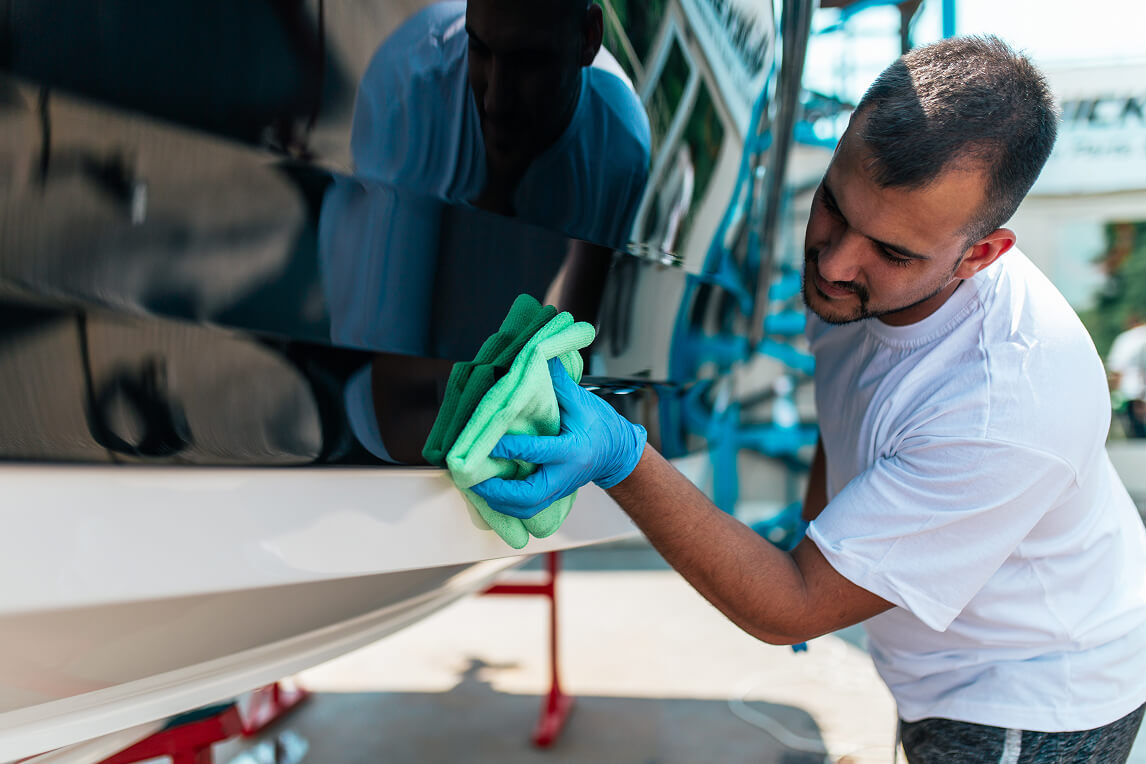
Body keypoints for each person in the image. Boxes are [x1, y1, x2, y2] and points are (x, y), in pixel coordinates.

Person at [473, 36, 1146, 762]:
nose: (833, 262)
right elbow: (848, 409)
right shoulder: (861, 291)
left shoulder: (1006, 405)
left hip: (1034, 694)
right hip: (946, 666)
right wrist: (822, 535)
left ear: (978, 255)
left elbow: (791, 607)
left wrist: (621, 458)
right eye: (832, 205)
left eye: (891, 252)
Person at [350, 0, 651, 248]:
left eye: (527, 61)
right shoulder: (402, 97)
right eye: (479, 47)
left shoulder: (622, 155)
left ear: (588, 38)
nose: (495, 101)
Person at [1107, 320, 1146, 438]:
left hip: (1132, 388)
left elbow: (1116, 369)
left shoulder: (1125, 340)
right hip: (1135, 387)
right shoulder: (1130, 339)